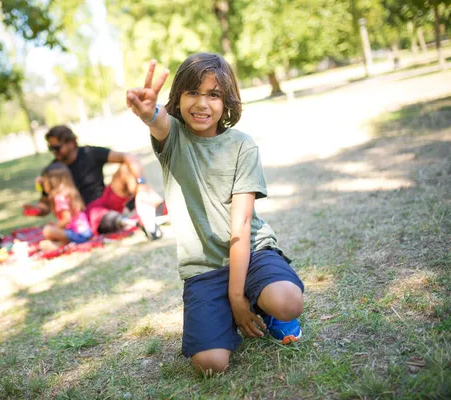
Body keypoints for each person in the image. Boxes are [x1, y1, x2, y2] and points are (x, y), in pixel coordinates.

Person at [126, 53, 304, 375]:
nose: (202, 103)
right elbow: (159, 122)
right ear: (177, 98)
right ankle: (231, 311)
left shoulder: (242, 146)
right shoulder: (174, 137)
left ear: (227, 102)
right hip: (204, 268)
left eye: (213, 94)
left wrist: (237, 297)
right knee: (210, 364)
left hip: (250, 253)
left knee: (288, 301)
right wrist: (148, 113)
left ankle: (265, 308)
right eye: (192, 92)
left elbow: (242, 224)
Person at [36, 125, 164, 240]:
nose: (54, 152)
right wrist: (39, 204)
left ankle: (154, 207)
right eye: (50, 148)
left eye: (56, 148)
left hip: (106, 198)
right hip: (87, 212)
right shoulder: (54, 170)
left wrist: (142, 185)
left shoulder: (89, 153)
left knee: (127, 168)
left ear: (71, 142)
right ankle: (132, 222)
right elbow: (45, 205)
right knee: (100, 216)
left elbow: (130, 157)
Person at [39, 162, 93, 247]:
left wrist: (56, 226)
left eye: (44, 181)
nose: (43, 184)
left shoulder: (60, 197)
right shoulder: (68, 192)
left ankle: (61, 244)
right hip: (85, 232)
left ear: (52, 182)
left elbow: (67, 219)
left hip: (79, 234)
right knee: (45, 241)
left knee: (47, 230)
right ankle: (62, 244)